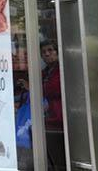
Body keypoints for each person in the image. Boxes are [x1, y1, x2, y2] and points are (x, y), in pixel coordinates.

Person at [19, 40, 65, 170]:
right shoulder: (45, 72)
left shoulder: (61, 70)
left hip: (58, 120)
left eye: (50, 50)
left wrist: (32, 87)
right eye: (44, 52)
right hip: (46, 120)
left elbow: (53, 88)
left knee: (58, 157)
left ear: (57, 52)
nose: (47, 54)